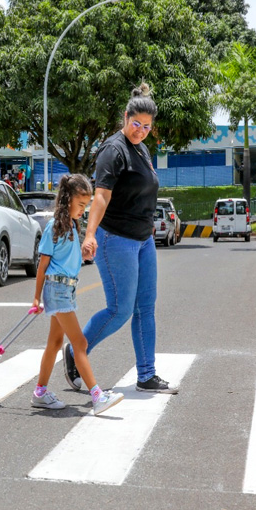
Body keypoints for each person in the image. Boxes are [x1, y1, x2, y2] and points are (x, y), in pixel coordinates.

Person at [63, 83, 178, 395]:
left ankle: (147, 375)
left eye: (147, 126)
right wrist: (89, 235)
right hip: (115, 238)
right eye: (136, 123)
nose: (140, 130)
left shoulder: (141, 149)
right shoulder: (113, 151)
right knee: (120, 309)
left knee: (145, 307)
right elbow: (100, 197)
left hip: (143, 240)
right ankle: (75, 351)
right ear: (126, 117)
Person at [30, 173, 124, 414]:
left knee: (54, 343)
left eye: (86, 205)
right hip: (57, 289)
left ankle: (40, 392)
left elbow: (65, 260)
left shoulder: (71, 225)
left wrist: (83, 255)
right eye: (81, 204)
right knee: (80, 342)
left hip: (66, 288)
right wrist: (36, 297)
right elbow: (43, 264)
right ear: (68, 199)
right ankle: (97, 395)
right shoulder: (55, 225)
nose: (84, 209)